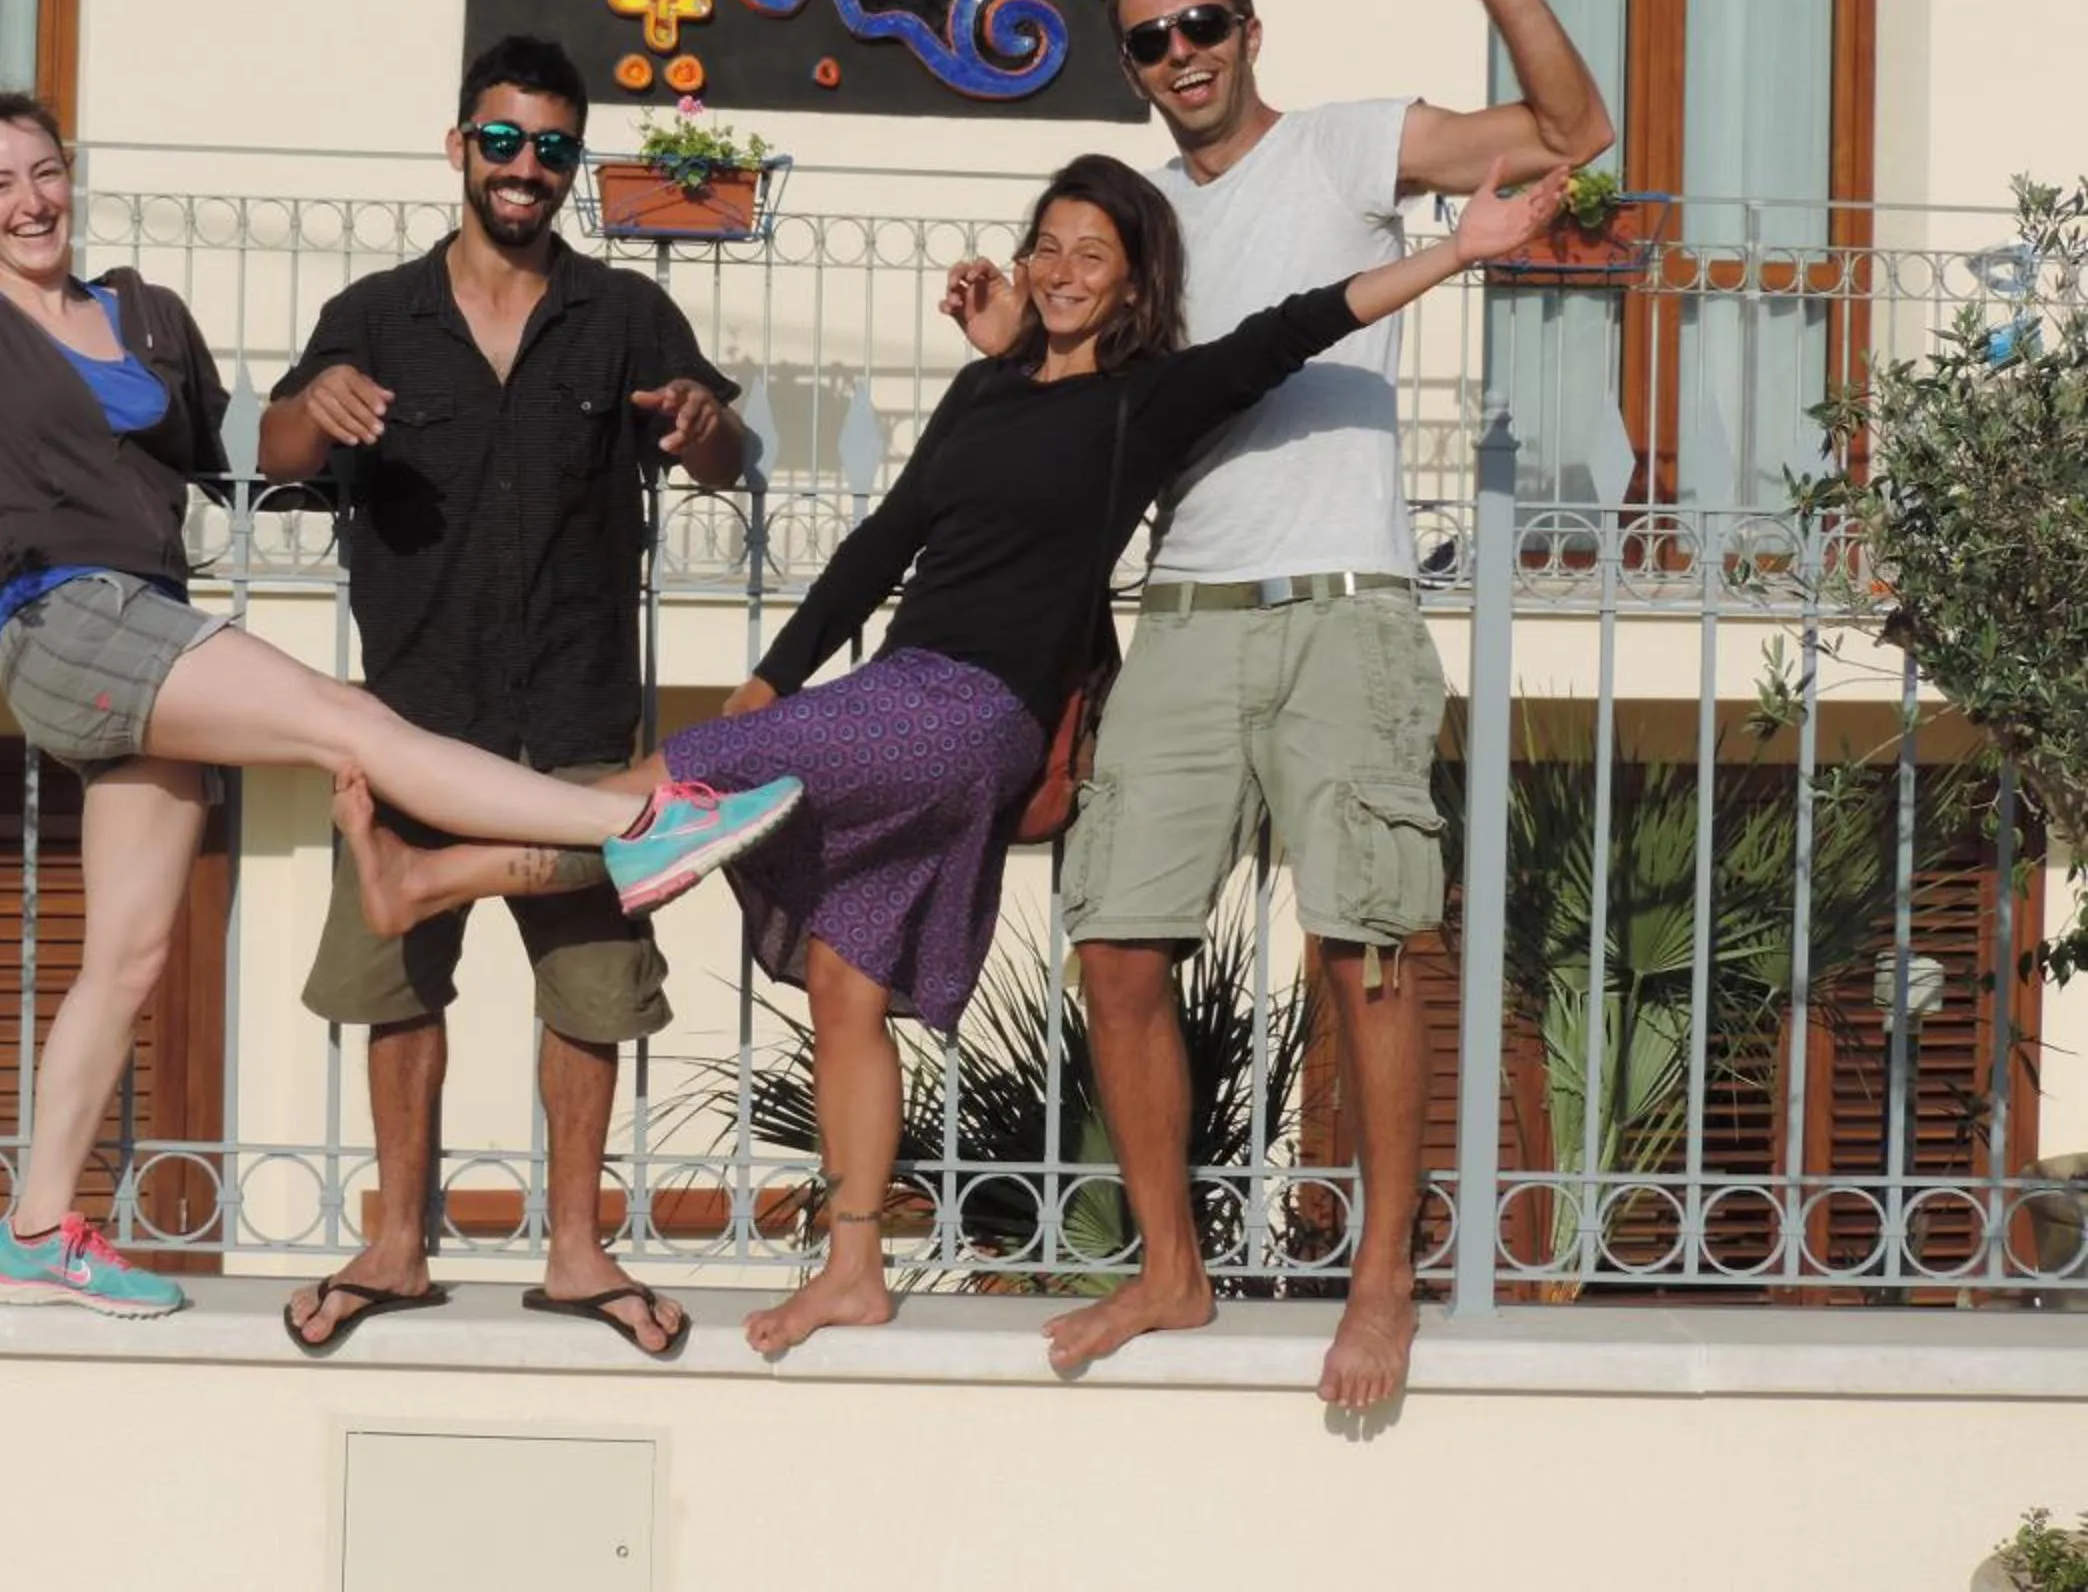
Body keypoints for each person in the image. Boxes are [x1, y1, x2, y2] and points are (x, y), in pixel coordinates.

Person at [333, 141, 1564, 1354]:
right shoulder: (984, 393)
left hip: (970, 715)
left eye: (1098, 254)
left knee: (688, 780)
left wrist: (1459, 248)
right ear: (1025, 265)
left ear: (1136, 283)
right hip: (900, 682)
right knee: (841, 984)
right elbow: (884, 545)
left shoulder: (1149, 396)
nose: (1070, 269)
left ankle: (436, 870)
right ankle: (856, 1269)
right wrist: (772, 678)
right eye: (1050, 246)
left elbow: (1302, 322)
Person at [0, 0, 805, 1317]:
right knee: (349, 716)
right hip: (66, 618)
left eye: (45, 170)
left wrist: (306, 428)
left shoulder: (142, 313)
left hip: (153, 626)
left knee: (131, 952)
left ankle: (33, 1231)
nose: (29, 198)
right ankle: (646, 820)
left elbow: (237, 449)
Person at [942, 0, 1615, 1407]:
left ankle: (1384, 1281)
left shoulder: (1348, 148)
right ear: (1132, 65)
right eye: (1152, 37)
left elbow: (1580, 130)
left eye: (1205, 23)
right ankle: (1170, 1267)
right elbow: (1089, 416)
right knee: (1114, 941)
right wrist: (1005, 342)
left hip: (1342, 608)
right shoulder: (1135, 222)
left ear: (1252, 30)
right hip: (1178, 612)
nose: (1183, 52)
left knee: (1368, 947)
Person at [255, 34, 747, 1360]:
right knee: (399, 981)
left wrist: (708, 430)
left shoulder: (625, 311)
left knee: (590, 987)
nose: (525, 166)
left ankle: (578, 1249)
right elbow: (275, 450)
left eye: (551, 147)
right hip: (414, 713)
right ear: (459, 145)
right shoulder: (374, 313)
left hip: (579, 709)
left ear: (572, 164)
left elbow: (722, 450)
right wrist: (316, 398)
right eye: (504, 139)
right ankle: (396, 1241)